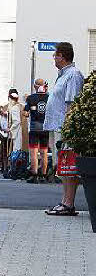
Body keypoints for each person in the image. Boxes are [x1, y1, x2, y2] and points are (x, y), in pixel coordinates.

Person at [44, 42, 85, 217]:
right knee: (62, 166)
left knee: (68, 166)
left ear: (62, 56)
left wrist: (69, 128)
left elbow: (72, 104)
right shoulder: (63, 75)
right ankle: (65, 202)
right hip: (57, 126)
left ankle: (68, 204)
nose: (54, 58)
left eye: (55, 55)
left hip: (65, 127)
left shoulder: (73, 75)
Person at [25, 79, 50, 182]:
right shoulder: (49, 97)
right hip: (45, 128)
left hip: (34, 128)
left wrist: (30, 111)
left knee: (34, 153)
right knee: (44, 152)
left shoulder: (30, 98)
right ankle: (43, 176)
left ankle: (34, 175)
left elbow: (25, 113)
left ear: (35, 87)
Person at [4, 88, 25, 172]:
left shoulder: (14, 108)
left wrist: (10, 129)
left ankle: (14, 169)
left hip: (17, 132)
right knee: (17, 150)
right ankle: (15, 169)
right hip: (18, 131)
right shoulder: (18, 106)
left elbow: (17, 121)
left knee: (16, 150)